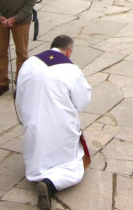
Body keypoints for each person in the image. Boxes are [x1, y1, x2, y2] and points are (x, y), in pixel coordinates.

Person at [16, 35, 92, 210]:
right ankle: (50, 184)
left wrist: (26, 116)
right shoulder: (71, 69)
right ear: (69, 51)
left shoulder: (30, 63)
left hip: (33, 123)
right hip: (60, 126)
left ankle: (38, 172)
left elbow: (20, 93)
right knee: (75, 167)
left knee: (37, 152)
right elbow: (82, 101)